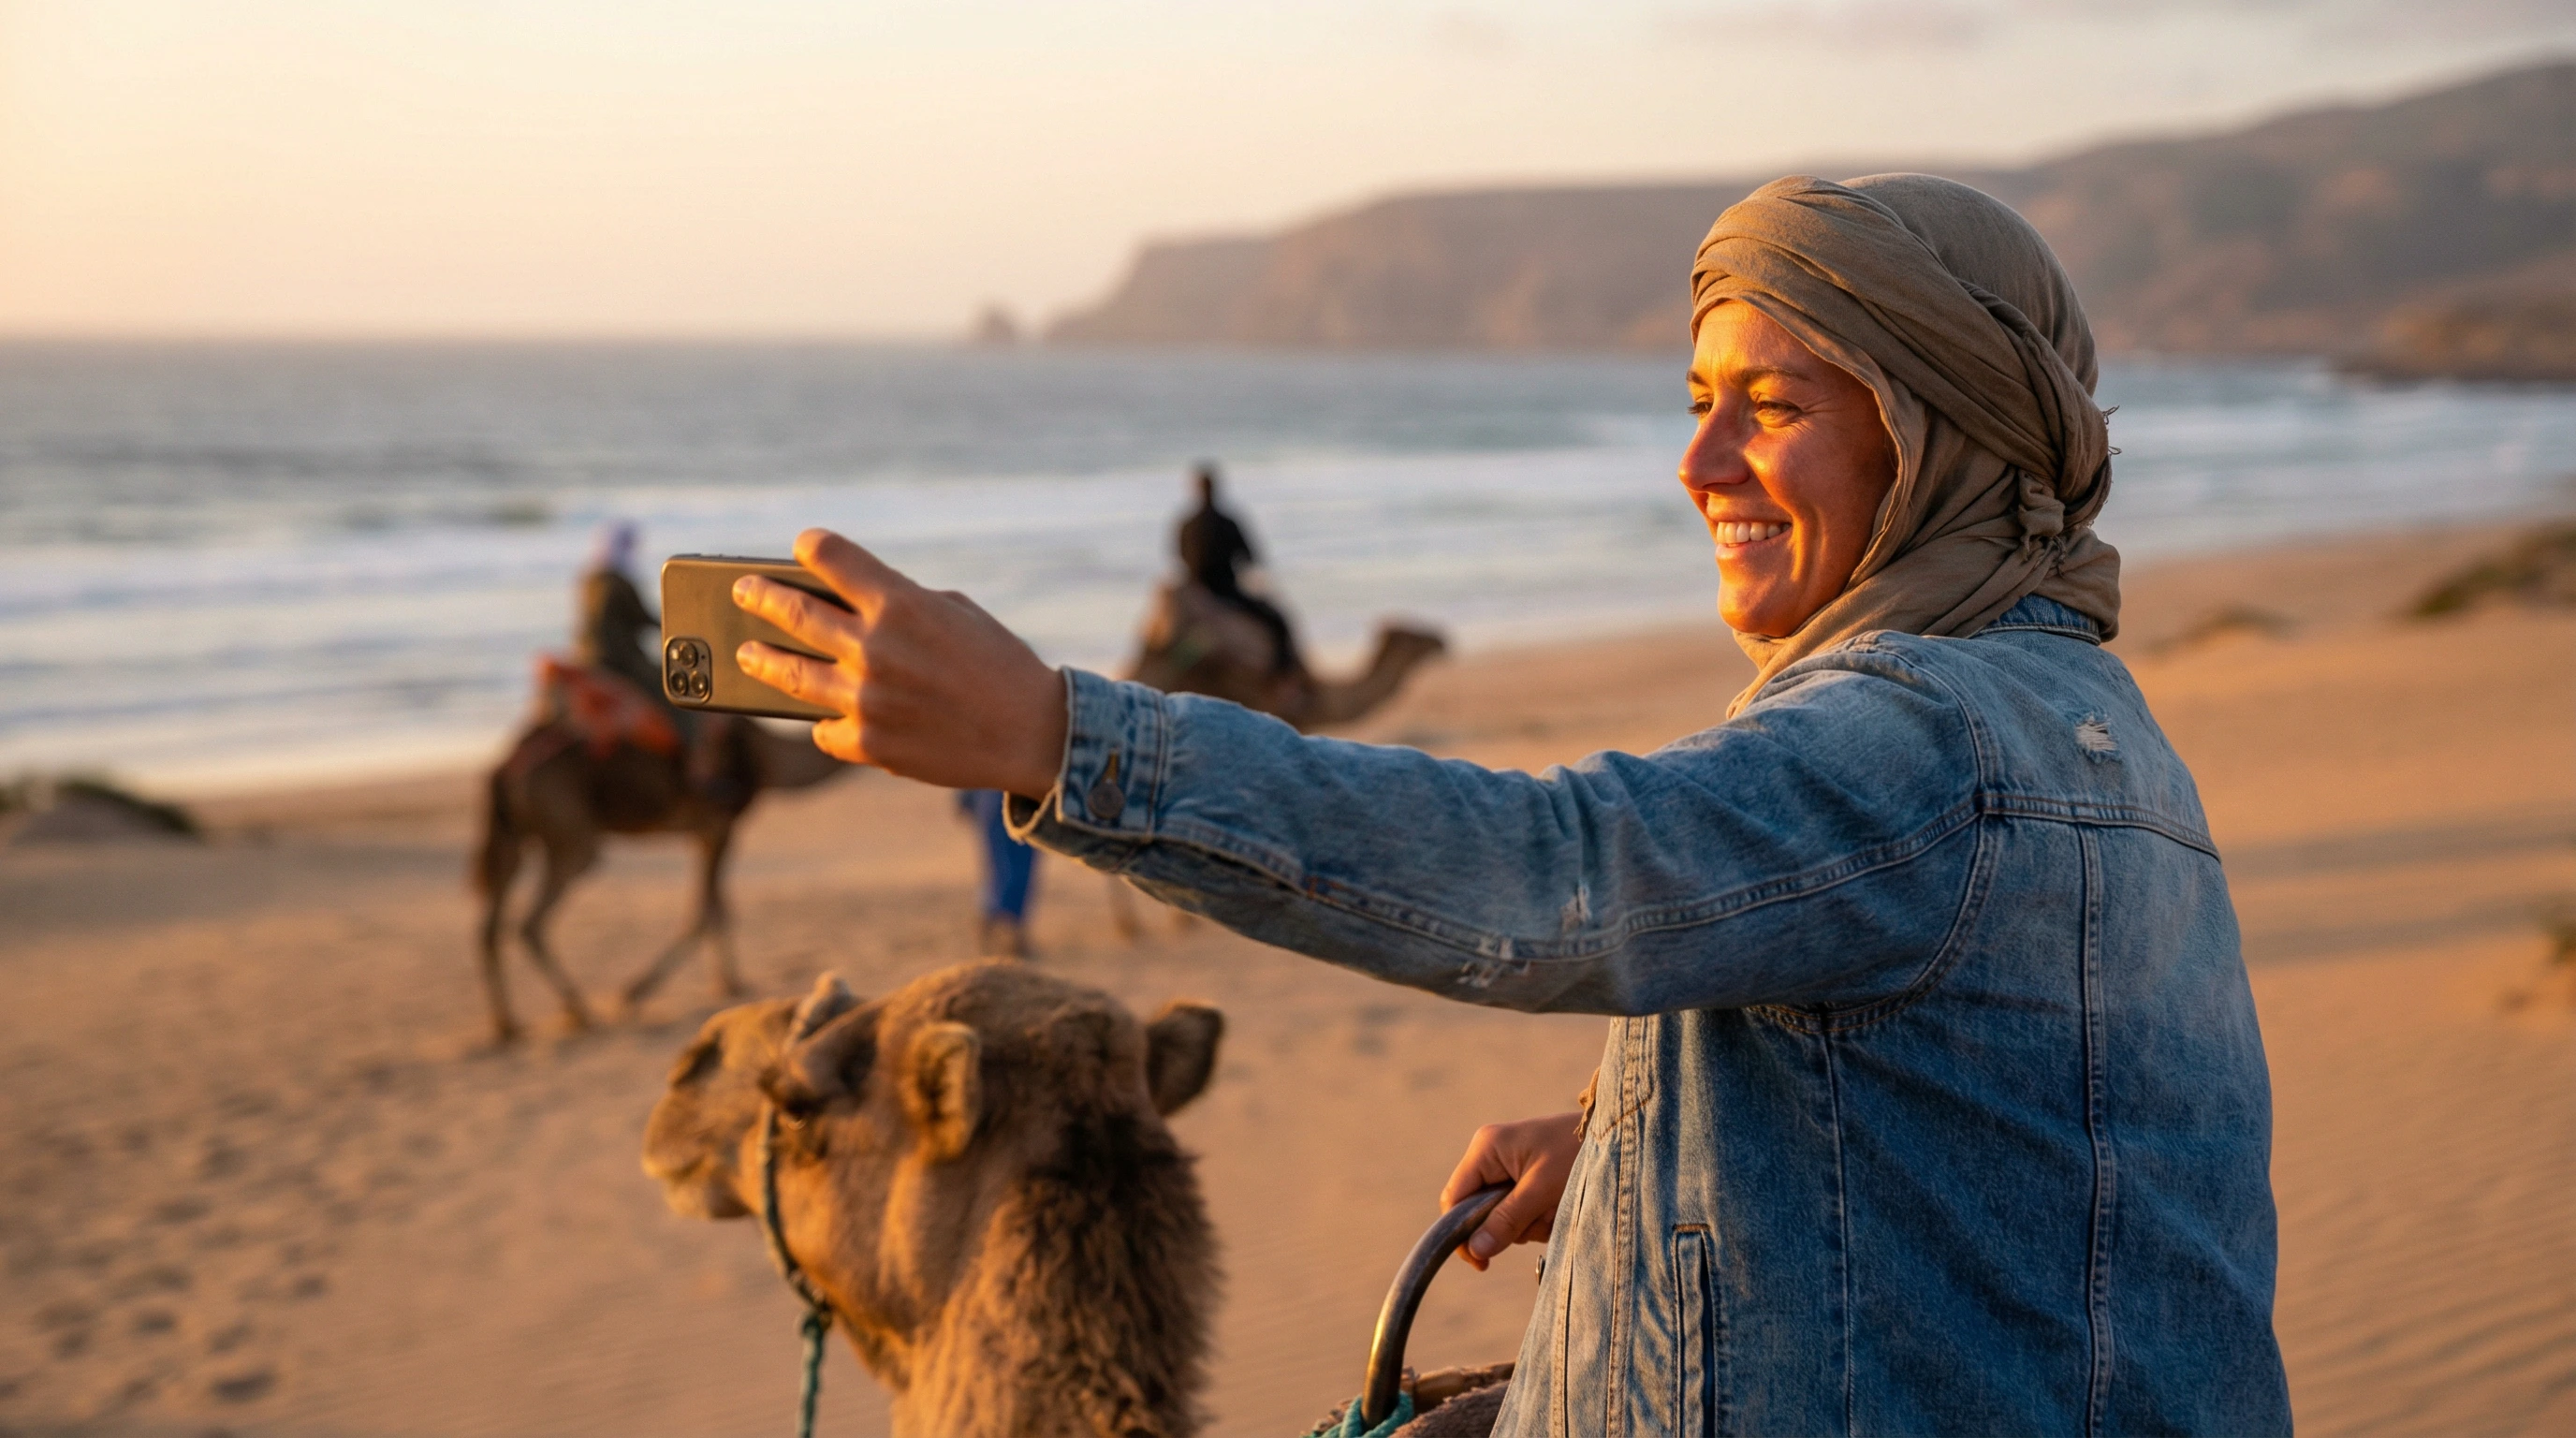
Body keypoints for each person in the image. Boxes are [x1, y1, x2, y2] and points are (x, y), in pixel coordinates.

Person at [725, 175, 2292, 1434]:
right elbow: (2047, 1118)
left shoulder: (1913, 736)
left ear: (1937, 429)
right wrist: (1646, 1134)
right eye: (1697, 397)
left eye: (1775, 405)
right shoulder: (2100, 732)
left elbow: (1554, 871)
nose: (1699, 461)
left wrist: (1054, 736)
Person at [1176, 462, 1302, 677]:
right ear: (1215, 489)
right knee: (1276, 620)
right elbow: (1250, 557)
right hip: (1224, 590)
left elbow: (1179, 555)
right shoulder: (1228, 522)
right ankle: (1283, 677)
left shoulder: (1187, 524)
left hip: (1195, 591)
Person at [574, 521, 664, 697]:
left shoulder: (590, 579)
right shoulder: (619, 583)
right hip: (617, 659)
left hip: (585, 655)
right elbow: (644, 618)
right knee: (664, 684)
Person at [957, 788, 1040, 958]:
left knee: (998, 857)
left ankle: (995, 917)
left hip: (989, 787)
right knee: (1015, 852)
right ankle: (1006, 924)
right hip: (1014, 789)